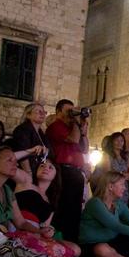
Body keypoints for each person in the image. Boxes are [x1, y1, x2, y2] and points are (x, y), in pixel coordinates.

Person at [0, 147, 64, 257]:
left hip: (2, 240)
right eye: (9, 160)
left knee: (62, 252)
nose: (15, 163)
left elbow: (20, 222)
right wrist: (29, 152)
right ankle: (2, 252)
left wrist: (40, 230)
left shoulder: (7, 191)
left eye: (15, 160)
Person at [13, 160, 81, 257]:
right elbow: (11, 168)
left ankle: (37, 256)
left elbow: (45, 227)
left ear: (55, 175)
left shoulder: (51, 201)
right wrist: (29, 152)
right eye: (42, 166)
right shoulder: (27, 183)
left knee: (76, 249)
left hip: (37, 234)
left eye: (50, 167)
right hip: (18, 227)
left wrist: (50, 230)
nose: (45, 168)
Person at [45, 99, 89, 243]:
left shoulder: (72, 127)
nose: (71, 114)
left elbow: (84, 148)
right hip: (64, 171)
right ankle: (61, 241)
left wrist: (84, 131)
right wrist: (76, 122)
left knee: (75, 210)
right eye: (68, 111)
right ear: (58, 112)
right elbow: (73, 139)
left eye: (73, 110)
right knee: (65, 207)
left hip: (76, 172)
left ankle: (72, 241)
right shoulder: (55, 126)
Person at [11, 102, 50, 175]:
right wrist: (28, 174)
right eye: (38, 111)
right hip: (27, 172)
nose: (42, 114)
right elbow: (22, 151)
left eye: (43, 112)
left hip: (38, 172)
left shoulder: (41, 133)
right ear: (28, 115)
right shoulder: (22, 129)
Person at [95, 132, 129, 204]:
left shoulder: (126, 156)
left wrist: (121, 175)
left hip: (123, 188)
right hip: (112, 188)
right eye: (117, 140)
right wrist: (123, 175)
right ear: (112, 142)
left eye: (121, 141)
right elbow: (108, 173)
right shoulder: (107, 155)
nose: (119, 143)